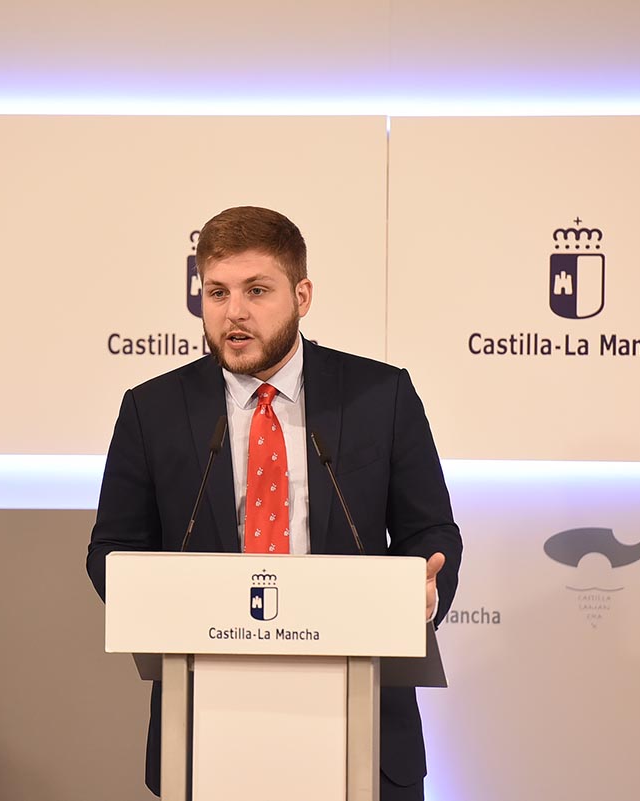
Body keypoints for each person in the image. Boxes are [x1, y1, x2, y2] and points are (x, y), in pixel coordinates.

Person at [86, 205, 462, 800]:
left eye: (256, 290)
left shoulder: (380, 396)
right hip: (206, 725)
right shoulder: (151, 409)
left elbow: (431, 534)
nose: (234, 312)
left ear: (302, 294)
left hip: (360, 718)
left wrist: (421, 589)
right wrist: (155, 597)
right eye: (216, 292)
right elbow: (111, 551)